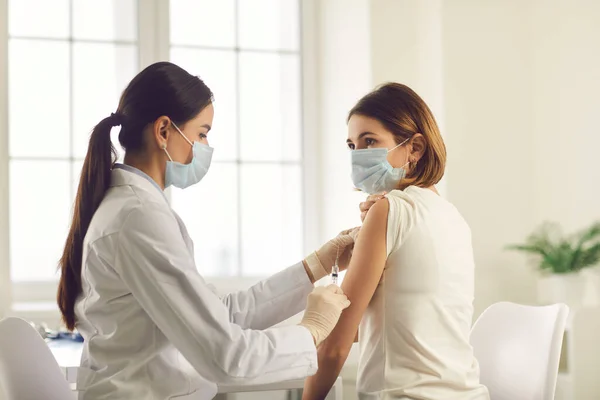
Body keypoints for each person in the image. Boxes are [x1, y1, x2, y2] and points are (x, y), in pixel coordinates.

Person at [56, 61, 356, 400]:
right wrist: (311, 330)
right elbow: (224, 356)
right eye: (202, 133)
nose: (205, 146)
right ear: (164, 131)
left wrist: (316, 264)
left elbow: (219, 314)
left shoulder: (133, 207)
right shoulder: (138, 216)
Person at [302, 83, 490, 400]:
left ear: (414, 148)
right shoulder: (453, 216)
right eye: (352, 146)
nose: (358, 156)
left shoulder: (389, 211)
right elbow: (400, 322)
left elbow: (335, 347)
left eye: (370, 141)